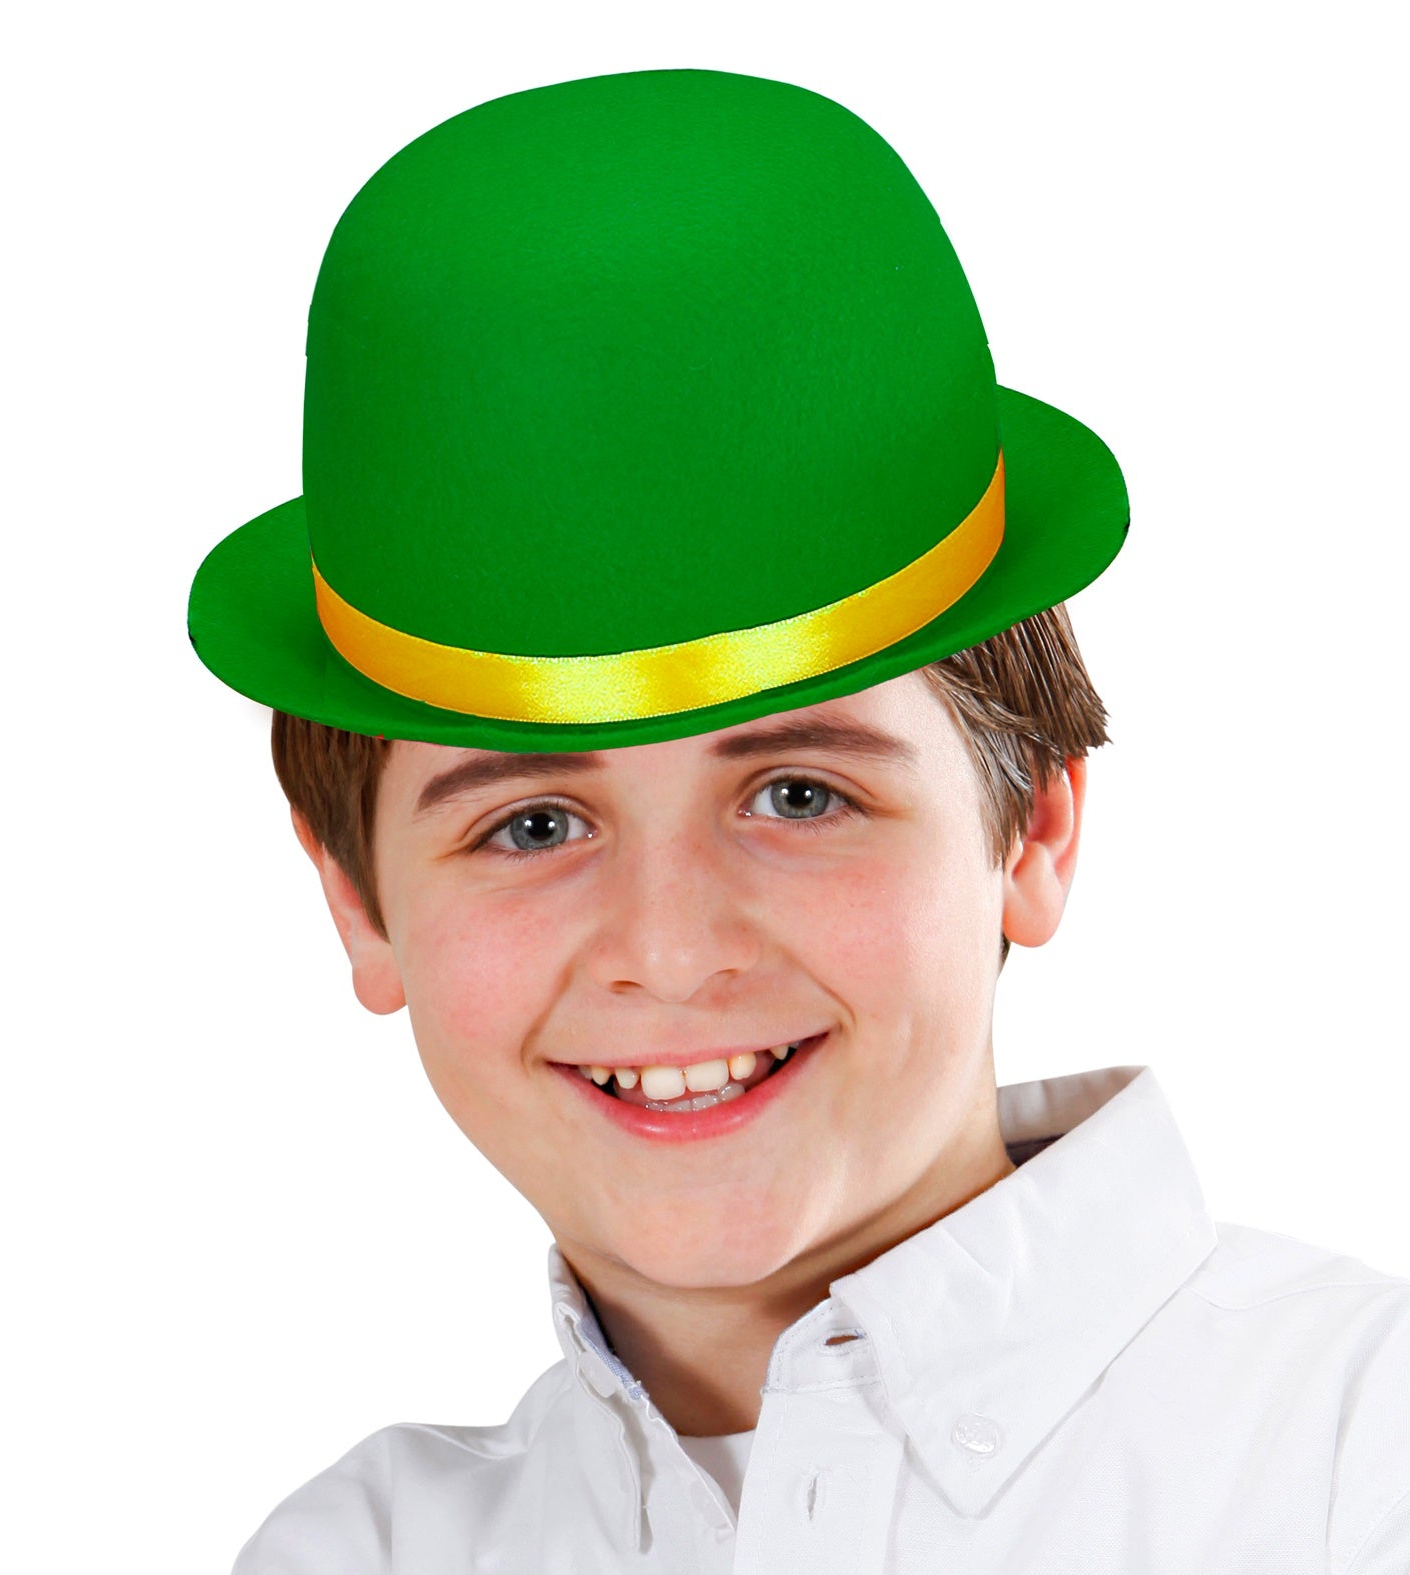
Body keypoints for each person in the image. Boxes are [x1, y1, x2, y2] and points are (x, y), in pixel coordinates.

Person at [188, 67, 1410, 1573]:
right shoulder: (367, 1552)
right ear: (358, 903)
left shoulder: (1359, 1460)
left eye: (798, 795)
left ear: (1032, 825)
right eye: (532, 827)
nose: (667, 950)